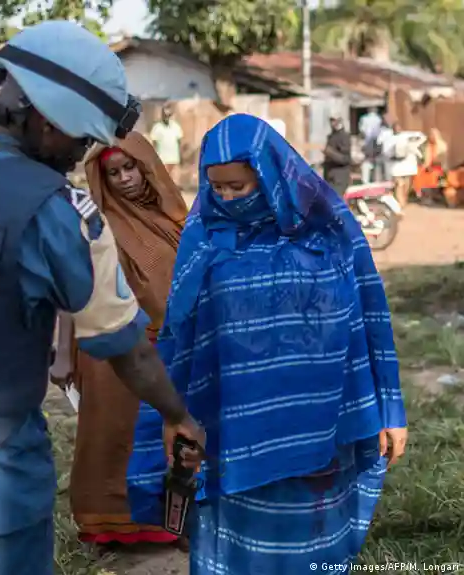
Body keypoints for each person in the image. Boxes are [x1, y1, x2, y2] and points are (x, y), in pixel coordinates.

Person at [0, 21, 203, 575]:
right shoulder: (63, 215)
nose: (81, 156)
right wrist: (177, 415)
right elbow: (125, 349)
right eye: (83, 140)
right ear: (49, 122)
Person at [127, 114, 408, 574]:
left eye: (238, 187)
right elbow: (180, 337)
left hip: (322, 430)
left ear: (270, 175)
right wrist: (170, 415)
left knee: (310, 549)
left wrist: (390, 409)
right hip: (233, 434)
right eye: (217, 188)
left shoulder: (331, 230)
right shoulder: (203, 239)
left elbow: (373, 316)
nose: (227, 198)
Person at [63, 132, 189, 546]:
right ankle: (116, 523)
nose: (124, 179)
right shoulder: (98, 227)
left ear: (147, 166)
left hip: (172, 346)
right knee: (118, 434)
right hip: (118, 349)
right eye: (113, 173)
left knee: (170, 436)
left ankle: (168, 520)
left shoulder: (175, 217)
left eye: (130, 167)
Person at [383, 121, 426, 207]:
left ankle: (403, 200)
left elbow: (421, 137)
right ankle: (400, 203)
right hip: (396, 167)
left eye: (398, 128)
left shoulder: (407, 136)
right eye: (395, 128)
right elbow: (386, 153)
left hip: (408, 167)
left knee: (407, 186)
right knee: (399, 184)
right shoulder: (388, 139)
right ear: (392, 129)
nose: (397, 129)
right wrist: (395, 156)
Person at [412, 127, 448, 202]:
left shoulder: (442, 145)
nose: (432, 136)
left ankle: (434, 195)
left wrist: (432, 165)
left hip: (438, 167)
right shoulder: (425, 145)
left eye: (433, 135)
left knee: (435, 175)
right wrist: (425, 166)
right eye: (431, 134)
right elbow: (422, 158)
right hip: (427, 166)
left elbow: (441, 160)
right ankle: (422, 195)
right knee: (418, 173)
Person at [150, 104, 183, 178]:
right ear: (162, 115)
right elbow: (154, 143)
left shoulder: (176, 126)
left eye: (169, 115)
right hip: (162, 158)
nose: (167, 117)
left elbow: (179, 142)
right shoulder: (157, 127)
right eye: (165, 115)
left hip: (174, 158)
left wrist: (181, 156)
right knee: (164, 178)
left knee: (174, 178)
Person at [323, 114, 351, 195]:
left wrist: (330, 153)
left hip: (339, 179)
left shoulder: (344, 136)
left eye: (334, 120)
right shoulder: (331, 136)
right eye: (331, 120)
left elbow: (345, 159)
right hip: (329, 176)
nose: (332, 123)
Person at [359, 107, 383, 183]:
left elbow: (362, 131)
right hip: (375, 144)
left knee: (367, 164)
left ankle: (366, 182)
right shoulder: (378, 118)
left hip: (369, 144)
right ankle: (375, 182)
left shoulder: (364, 118)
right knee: (375, 164)